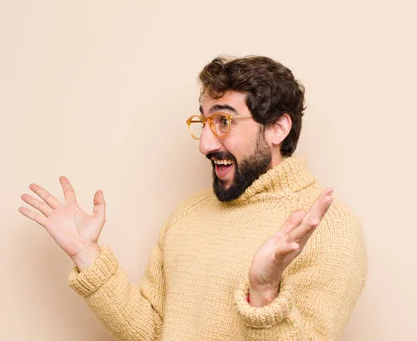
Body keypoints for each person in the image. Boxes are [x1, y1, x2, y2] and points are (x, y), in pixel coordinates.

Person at [19, 55, 367, 341]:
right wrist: (87, 254)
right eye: (204, 122)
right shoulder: (189, 215)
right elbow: (154, 330)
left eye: (224, 122)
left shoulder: (327, 228)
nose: (206, 144)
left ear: (277, 128)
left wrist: (263, 293)